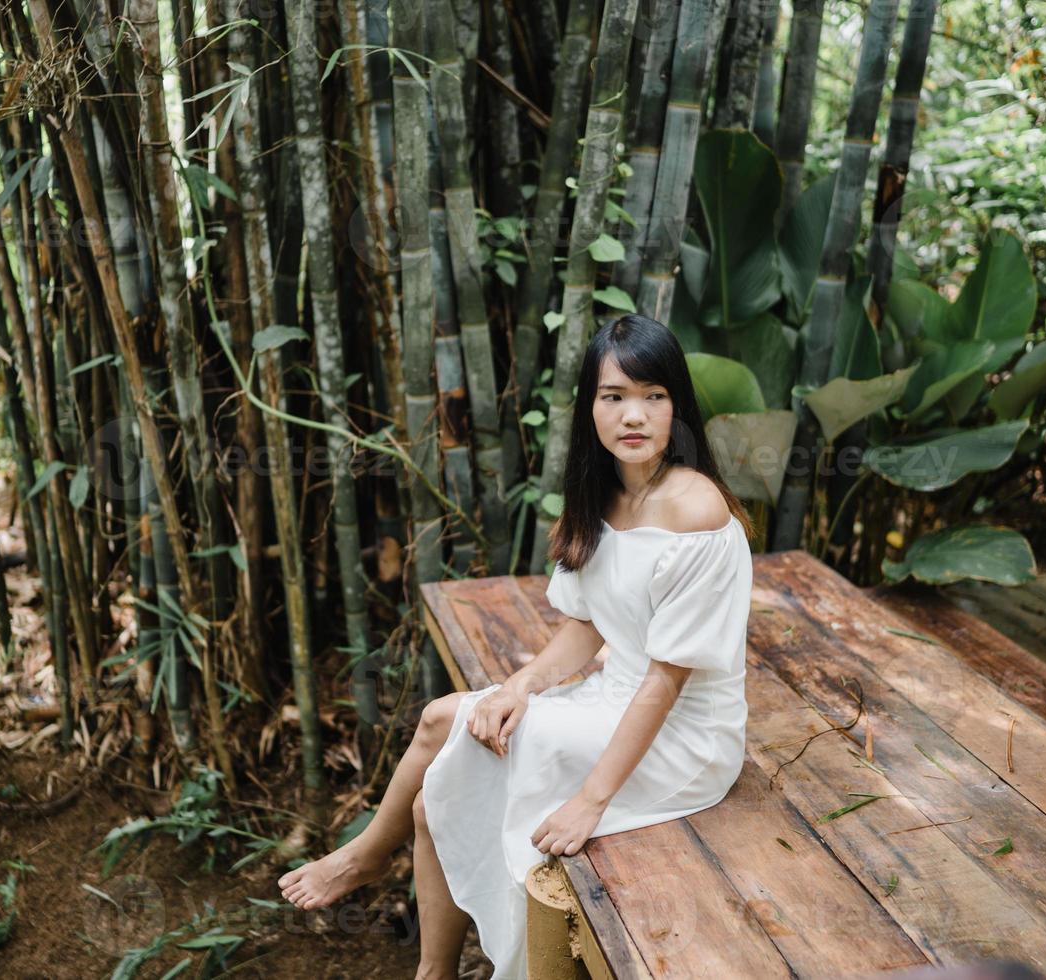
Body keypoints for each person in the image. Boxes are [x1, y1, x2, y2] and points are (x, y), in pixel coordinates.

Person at [277, 314, 755, 979]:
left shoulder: (695, 509)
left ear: (679, 405)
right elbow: (587, 627)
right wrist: (518, 686)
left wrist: (591, 800)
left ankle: (367, 857)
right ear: (590, 406)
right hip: (612, 700)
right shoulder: (602, 498)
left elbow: (664, 683)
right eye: (613, 396)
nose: (633, 415)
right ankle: (431, 967)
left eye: (654, 395)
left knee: (440, 720)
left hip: (683, 737)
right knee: (431, 795)